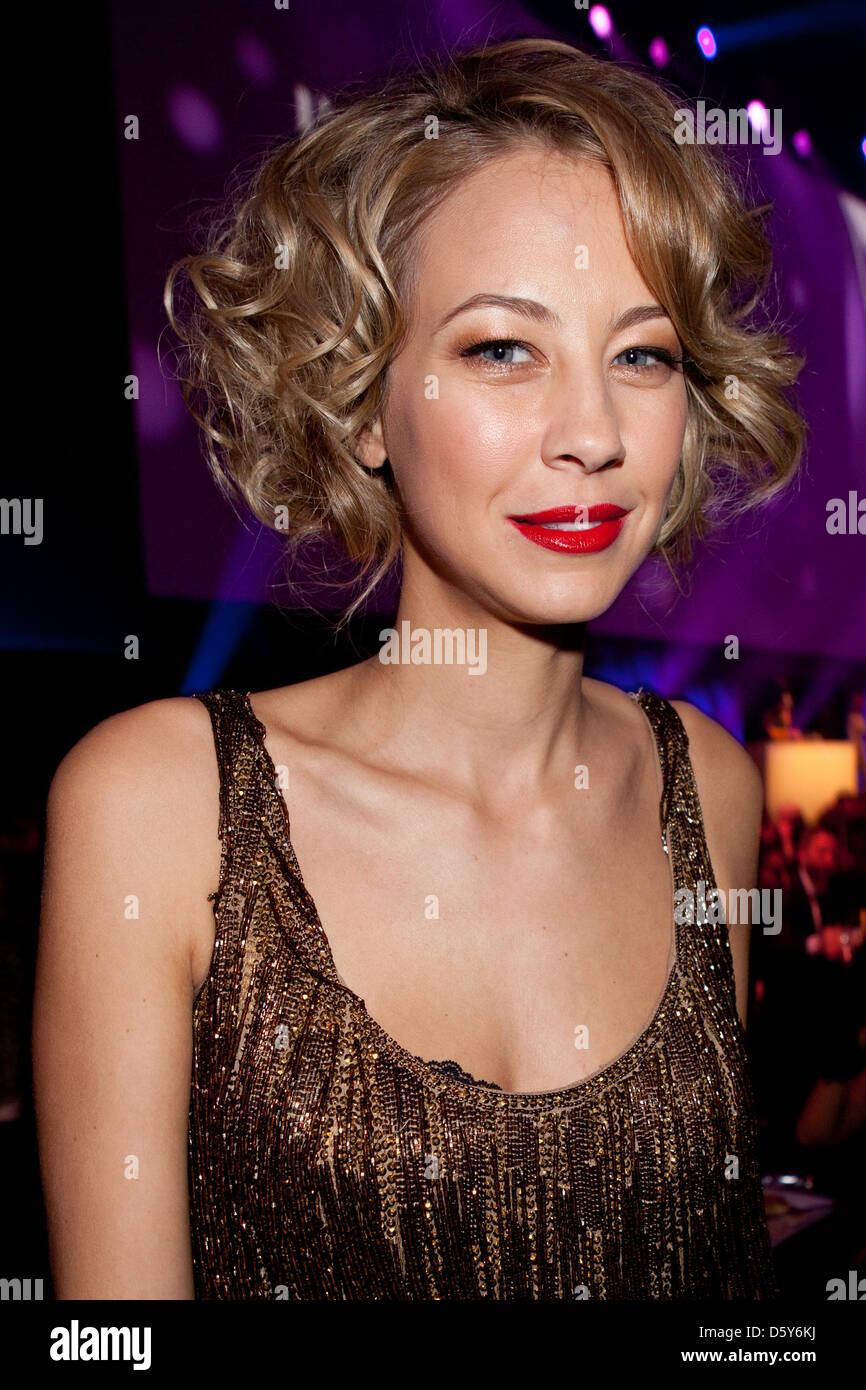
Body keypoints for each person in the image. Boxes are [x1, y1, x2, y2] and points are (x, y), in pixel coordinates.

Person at [32, 37, 806, 1300]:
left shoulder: (707, 788)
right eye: (501, 348)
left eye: (644, 353)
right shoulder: (160, 809)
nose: (593, 435)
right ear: (356, 405)